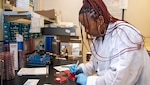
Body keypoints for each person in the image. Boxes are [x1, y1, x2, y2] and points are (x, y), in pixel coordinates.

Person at [69, 0, 150, 85]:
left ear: (100, 20)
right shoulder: (100, 36)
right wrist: (83, 69)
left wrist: (89, 81)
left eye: (87, 26)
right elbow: (95, 63)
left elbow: (119, 79)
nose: (86, 31)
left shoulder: (124, 35)